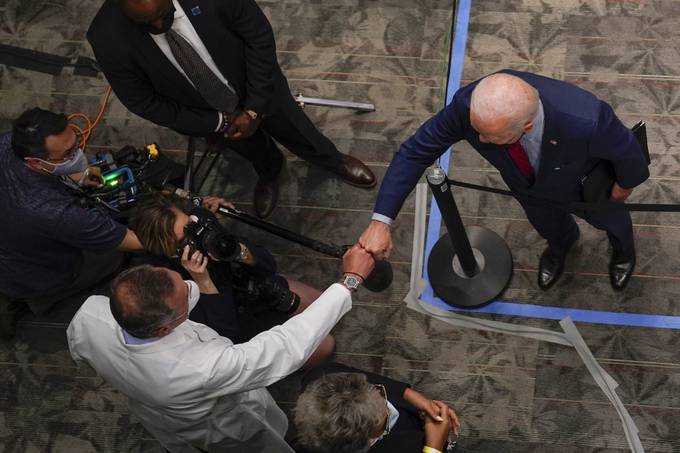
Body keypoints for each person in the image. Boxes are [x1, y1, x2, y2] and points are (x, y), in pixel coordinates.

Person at [66, 245, 375, 452]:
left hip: (155, 410)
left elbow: (80, 353)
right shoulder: (198, 369)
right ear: (162, 328)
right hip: (221, 422)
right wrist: (349, 281)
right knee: (264, 443)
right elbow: (284, 347)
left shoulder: (91, 313)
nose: (191, 288)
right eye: (185, 295)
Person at [360, 70, 649, 291]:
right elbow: (413, 153)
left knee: (612, 221)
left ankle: (623, 251)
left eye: (491, 137)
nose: (481, 141)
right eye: (478, 132)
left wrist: (622, 189)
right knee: (548, 226)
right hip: (529, 190)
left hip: (585, 187)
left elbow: (629, 153)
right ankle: (562, 245)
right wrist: (380, 222)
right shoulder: (469, 107)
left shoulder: (585, 119)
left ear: (527, 126)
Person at [87, 0, 376, 220]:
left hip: (257, 85)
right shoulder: (106, 37)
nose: (159, 26)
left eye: (164, 14)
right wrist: (217, 122)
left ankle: (331, 159)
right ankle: (269, 172)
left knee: (295, 127)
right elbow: (143, 102)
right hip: (204, 113)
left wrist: (253, 109)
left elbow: (258, 36)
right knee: (251, 149)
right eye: (147, 24)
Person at [128, 191, 334, 364]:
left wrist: (240, 252)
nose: (197, 235)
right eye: (184, 239)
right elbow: (225, 336)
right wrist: (204, 282)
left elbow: (268, 266)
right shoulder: (166, 280)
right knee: (326, 346)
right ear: (163, 246)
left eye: (190, 225)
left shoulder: (203, 223)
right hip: (243, 323)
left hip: (259, 288)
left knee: (328, 305)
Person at [0, 108, 143, 339]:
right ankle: (39, 300)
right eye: (68, 154)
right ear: (37, 163)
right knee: (110, 258)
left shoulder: (9, 142)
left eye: (77, 144)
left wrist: (72, 172)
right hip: (35, 273)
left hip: (11, 242)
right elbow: (130, 241)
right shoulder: (52, 211)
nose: (78, 155)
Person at [292, 362, 460, 453]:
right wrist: (434, 446)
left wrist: (413, 397)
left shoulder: (320, 375)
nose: (389, 405)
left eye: (378, 392)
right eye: (385, 418)